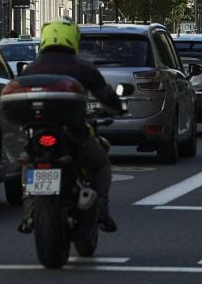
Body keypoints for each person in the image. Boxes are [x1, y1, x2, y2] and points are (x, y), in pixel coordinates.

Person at [17, 18, 123, 235]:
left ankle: (29, 211)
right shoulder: (83, 67)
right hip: (74, 135)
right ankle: (101, 210)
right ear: (73, 39)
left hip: (38, 134)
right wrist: (117, 108)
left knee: (29, 163)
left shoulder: (30, 69)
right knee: (101, 164)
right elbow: (106, 96)